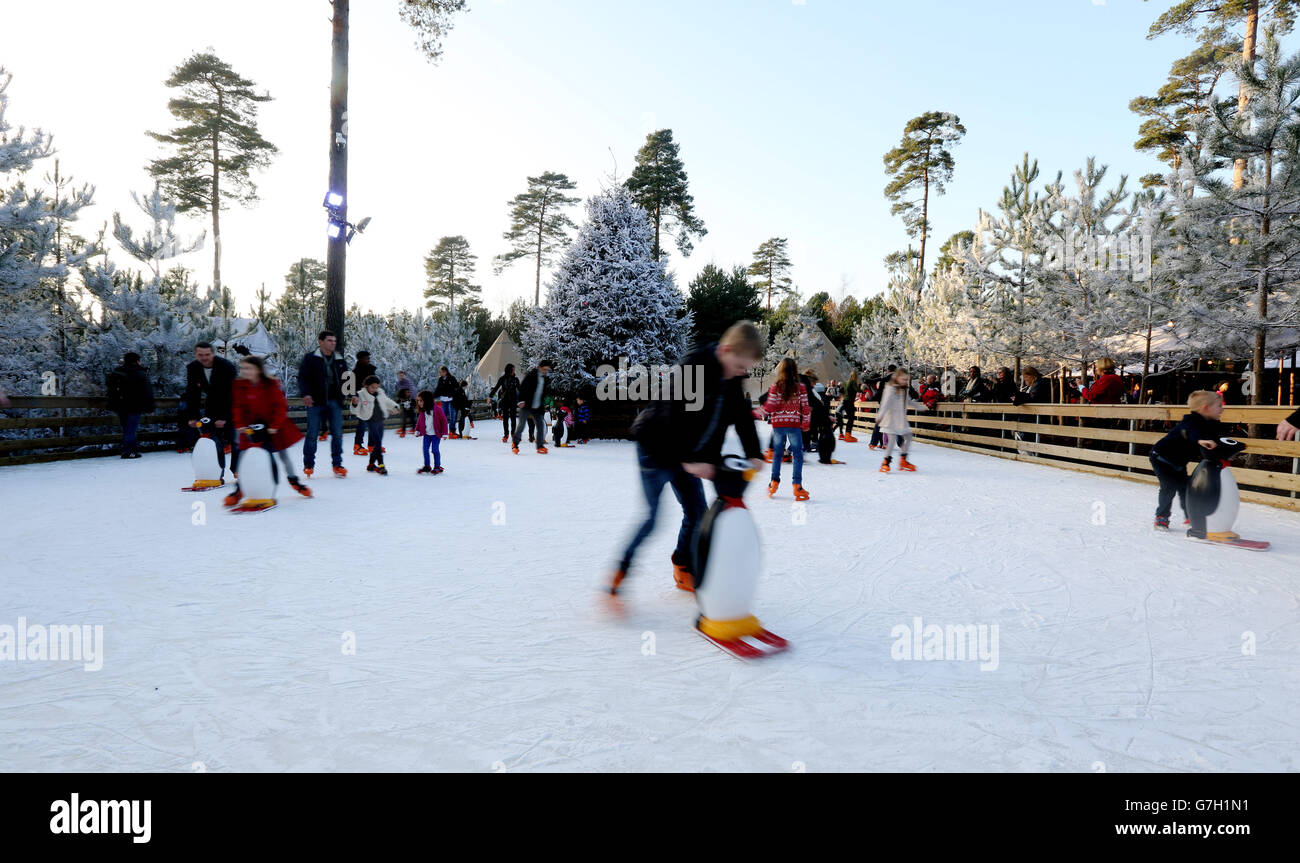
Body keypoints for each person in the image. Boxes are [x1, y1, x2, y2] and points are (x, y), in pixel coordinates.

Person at [610, 321, 765, 598]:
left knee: (696, 514)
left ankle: (682, 565)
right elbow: (672, 417)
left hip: (688, 455)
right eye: (740, 365)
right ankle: (619, 573)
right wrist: (688, 461)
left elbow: (742, 417)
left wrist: (754, 453)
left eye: (745, 369)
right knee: (652, 518)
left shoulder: (731, 379)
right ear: (726, 350)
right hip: (656, 448)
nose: (742, 373)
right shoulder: (695, 368)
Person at [224, 355, 309, 508]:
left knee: (283, 455)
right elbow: (237, 407)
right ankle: (239, 489)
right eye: (243, 368)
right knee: (243, 455)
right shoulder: (239, 385)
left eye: (249, 368)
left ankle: (294, 481)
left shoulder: (271, 384)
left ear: (258, 370)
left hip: (272, 426)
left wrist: (274, 426)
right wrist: (240, 425)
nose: (245, 371)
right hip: (250, 427)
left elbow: (280, 406)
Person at [1149, 391, 1227, 531]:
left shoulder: (1212, 424)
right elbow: (1190, 432)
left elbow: (1217, 442)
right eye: (1219, 406)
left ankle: (1191, 515)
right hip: (1161, 458)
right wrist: (1199, 440)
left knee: (1186, 489)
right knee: (1169, 487)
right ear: (1206, 408)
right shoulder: (1190, 421)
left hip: (1179, 463)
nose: (1222, 409)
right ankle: (1161, 517)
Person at [297, 330, 349, 478]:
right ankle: (308, 465)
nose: (333, 343)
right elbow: (302, 378)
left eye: (334, 341)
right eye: (329, 340)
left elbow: (347, 378)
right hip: (316, 401)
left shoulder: (339, 359)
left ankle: (337, 464)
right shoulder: (311, 358)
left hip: (335, 401)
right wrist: (305, 394)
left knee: (337, 435)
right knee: (312, 434)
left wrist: (351, 394)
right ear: (320, 341)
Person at [182, 342, 238, 477]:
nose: (204, 358)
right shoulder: (193, 368)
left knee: (235, 439)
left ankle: (237, 470)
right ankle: (217, 471)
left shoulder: (226, 366)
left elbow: (232, 393)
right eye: (200, 355)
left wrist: (224, 417)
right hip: (211, 406)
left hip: (232, 405)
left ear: (213, 353)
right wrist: (192, 416)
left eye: (207, 354)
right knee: (213, 441)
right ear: (196, 354)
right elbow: (192, 393)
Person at [763, 358, 812, 499]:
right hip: (794, 424)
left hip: (778, 425)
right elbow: (806, 408)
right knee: (797, 454)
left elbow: (770, 406)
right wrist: (806, 424)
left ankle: (774, 482)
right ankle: (797, 485)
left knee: (778, 455)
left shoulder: (775, 386)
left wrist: (760, 413)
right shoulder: (800, 387)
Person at [876, 368, 932, 473]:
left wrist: (921, 407)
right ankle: (885, 462)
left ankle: (903, 460)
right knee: (892, 441)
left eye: (907, 380)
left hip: (901, 418)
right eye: (903, 379)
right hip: (891, 418)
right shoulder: (890, 388)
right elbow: (885, 403)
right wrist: (880, 416)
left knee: (909, 437)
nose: (905, 382)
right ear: (897, 378)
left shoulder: (905, 389)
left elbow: (909, 401)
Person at [106, 352, 155, 459]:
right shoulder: (140, 373)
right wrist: (150, 407)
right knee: (131, 429)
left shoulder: (118, 372)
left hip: (120, 405)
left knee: (127, 428)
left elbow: (110, 388)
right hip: (135, 406)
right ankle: (129, 451)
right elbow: (147, 392)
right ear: (137, 361)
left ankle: (128, 450)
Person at [353, 375, 398, 475]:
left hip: (380, 420)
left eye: (376, 387)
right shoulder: (361, 394)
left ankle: (370, 465)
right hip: (370, 420)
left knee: (377, 444)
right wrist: (355, 404)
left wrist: (394, 406)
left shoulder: (380, 393)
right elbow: (355, 411)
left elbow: (386, 401)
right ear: (366, 386)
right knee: (377, 442)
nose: (375, 389)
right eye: (373, 387)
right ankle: (381, 465)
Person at [512, 360, 554, 455]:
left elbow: (544, 393)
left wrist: (544, 404)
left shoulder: (545, 379)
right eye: (544, 369)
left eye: (547, 370)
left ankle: (539, 446)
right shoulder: (531, 376)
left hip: (537, 406)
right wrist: (520, 401)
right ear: (539, 367)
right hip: (526, 404)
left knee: (541, 425)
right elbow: (522, 388)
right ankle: (515, 443)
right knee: (522, 425)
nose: (545, 371)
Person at [414, 389, 448, 475]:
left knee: (434, 450)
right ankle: (427, 466)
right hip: (427, 434)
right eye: (418, 401)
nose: (419, 403)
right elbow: (419, 421)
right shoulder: (423, 410)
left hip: (436, 434)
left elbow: (444, 421)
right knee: (425, 449)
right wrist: (417, 430)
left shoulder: (437, 409)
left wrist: (444, 433)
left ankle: (437, 466)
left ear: (427, 400)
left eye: (421, 401)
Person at [350, 351, 378, 455]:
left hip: (371, 399)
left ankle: (371, 445)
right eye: (366, 358)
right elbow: (351, 387)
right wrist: (354, 396)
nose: (368, 360)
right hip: (361, 399)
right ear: (360, 359)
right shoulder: (355, 372)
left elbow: (375, 384)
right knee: (362, 423)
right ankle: (357, 446)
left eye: (368, 358)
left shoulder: (371, 370)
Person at [490, 363, 521, 444]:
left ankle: (513, 433)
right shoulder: (502, 379)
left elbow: (520, 390)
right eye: (513, 369)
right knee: (505, 419)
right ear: (510, 370)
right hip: (505, 401)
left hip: (513, 401)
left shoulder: (516, 379)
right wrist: (490, 396)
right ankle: (506, 434)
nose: (514, 371)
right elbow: (496, 387)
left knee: (513, 418)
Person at [432, 367, 459, 439]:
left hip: (451, 400)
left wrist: (452, 393)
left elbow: (457, 387)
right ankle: (442, 431)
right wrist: (433, 396)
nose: (441, 373)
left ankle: (452, 431)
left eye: (442, 372)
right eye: (440, 372)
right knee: (443, 416)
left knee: (452, 416)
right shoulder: (440, 379)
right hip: (443, 400)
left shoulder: (452, 378)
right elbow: (438, 389)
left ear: (446, 371)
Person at [838, 371, 861, 441]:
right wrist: (862, 389)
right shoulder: (853, 382)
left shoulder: (846, 382)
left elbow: (840, 390)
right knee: (851, 418)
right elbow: (857, 389)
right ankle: (848, 435)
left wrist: (844, 395)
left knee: (850, 418)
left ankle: (846, 435)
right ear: (856, 376)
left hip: (845, 401)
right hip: (849, 402)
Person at [395, 370, 418, 438]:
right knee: (404, 417)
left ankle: (414, 428)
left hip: (410, 401)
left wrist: (413, 400)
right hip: (403, 402)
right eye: (399, 375)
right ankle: (403, 430)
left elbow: (411, 390)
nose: (401, 376)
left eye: (402, 375)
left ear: (404, 375)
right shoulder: (398, 383)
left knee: (412, 416)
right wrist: (398, 400)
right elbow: (399, 391)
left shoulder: (407, 381)